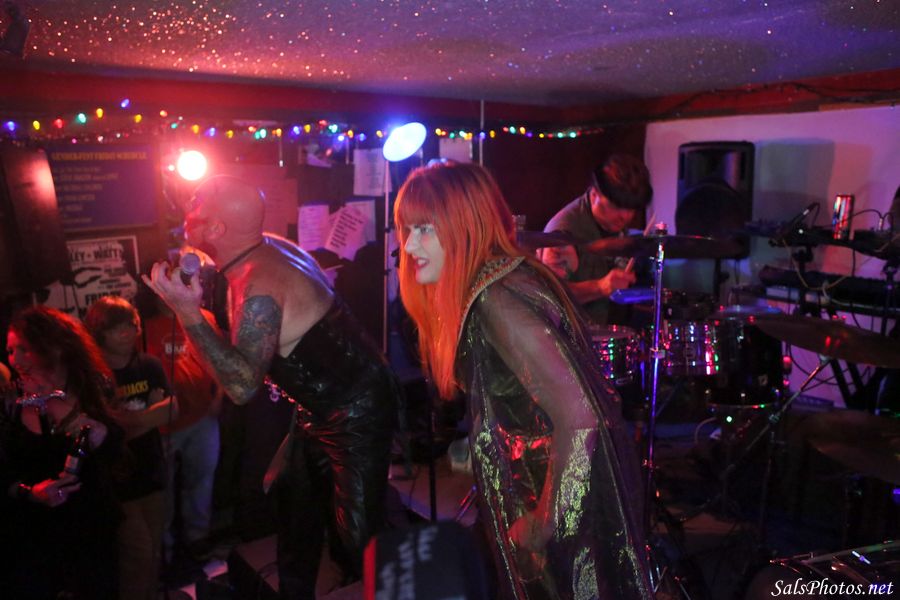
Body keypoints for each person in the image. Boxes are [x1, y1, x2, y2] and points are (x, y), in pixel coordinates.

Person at [395, 162, 652, 599]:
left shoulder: (497, 299)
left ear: (465, 225)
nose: (409, 245)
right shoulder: (496, 281)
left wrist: (544, 520)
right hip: (538, 478)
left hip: (552, 486)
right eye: (406, 229)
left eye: (424, 229)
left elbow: (581, 417)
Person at [142, 176, 398, 598]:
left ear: (216, 229)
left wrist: (187, 314)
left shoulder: (259, 283)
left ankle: (387, 586)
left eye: (196, 204)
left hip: (358, 408)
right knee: (295, 507)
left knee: (359, 534)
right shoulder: (262, 249)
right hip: (320, 405)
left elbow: (242, 386)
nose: (187, 207)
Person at [1, 306, 122, 599]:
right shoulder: (10, 404)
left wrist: (101, 435)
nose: (15, 360)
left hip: (90, 529)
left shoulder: (93, 388)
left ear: (53, 348)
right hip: (34, 536)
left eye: (25, 349)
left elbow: (118, 456)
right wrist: (31, 492)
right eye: (10, 350)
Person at [84, 296, 177, 600]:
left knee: (154, 552)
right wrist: (149, 413)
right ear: (100, 332)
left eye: (131, 325)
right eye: (116, 328)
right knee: (137, 555)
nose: (127, 333)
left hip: (152, 470)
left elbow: (172, 411)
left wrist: (125, 422)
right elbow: (109, 432)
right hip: (117, 481)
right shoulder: (94, 375)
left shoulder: (148, 364)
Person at [142, 296, 222, 566]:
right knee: (162, 488)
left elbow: (220, 359)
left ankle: (197, 538)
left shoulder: (205, 318)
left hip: (201, 416)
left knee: (201, 480)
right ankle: (164, 548)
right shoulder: (144, 326)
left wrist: (219, 397)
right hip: (163, 425)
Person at [541, 154, 653, 325]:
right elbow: (550, 295)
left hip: (613, 333)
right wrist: (600, 287)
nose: (625, 216)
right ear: (594, 194)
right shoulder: (564, 233)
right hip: (574, 337)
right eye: (616, 206)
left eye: (631, 209)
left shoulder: (612, 222)